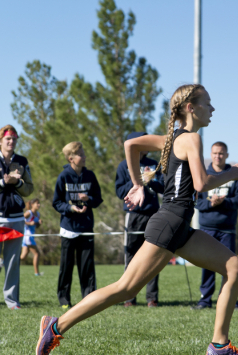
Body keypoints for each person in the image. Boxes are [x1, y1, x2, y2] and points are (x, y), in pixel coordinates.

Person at [36, 84, 238, 355]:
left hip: (180, 228)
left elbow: (131, 145)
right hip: (169, 223)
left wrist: (139, 184)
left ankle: (219, 345)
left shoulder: (173, 138)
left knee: (235, 267)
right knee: (126, 289)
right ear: (191, 107)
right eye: (208, 103)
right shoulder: (190, 139)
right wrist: (232, 174)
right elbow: (201, 184)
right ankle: (56, 326)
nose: (212, 109)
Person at [115, 132, 164, 307]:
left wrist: (151, 181)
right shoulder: (124, 165)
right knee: (131, 256)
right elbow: (120, 191)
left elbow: (164, 187)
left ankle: (152, 297)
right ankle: (129, 297)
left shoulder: (153, 164)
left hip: (153, 214)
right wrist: (137, 181)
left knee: (154, 255)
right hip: (133, 215)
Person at [194, 141, 238, 310]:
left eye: (221, 153)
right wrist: (211, 204)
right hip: (207, 228)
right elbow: (197, 202)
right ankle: (204, 300)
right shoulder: (203, 175)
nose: (218, 156)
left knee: (229, 267)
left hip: (227, 229)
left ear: (227, 155)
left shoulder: (234, 175)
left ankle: (231, 299)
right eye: (215, 153)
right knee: (207, 265)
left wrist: (222, 202)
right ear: (211, 154)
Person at [53, 142, 103, 310]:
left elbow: (98, 199)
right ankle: (64, 300)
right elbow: (56, 202)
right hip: (69, 228)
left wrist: (88, 200)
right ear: (71, 159)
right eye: (81, 154)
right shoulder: (63, 176)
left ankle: (89, 299)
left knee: (87, 267)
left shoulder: (90, 175)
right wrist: (70, 208)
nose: (85, 157)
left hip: (87, 228)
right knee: (66, 267)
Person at [0, 125, 34, 309]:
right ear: (1, 141)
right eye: (8, 139)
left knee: (13, 262)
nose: (11, 142)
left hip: (16, 219)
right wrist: (3, 182)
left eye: (14, 139)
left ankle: (12, 302)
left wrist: (17, 182)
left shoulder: (21, 161)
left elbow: (29, 189)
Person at [20, 198, 42, 276]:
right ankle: (37, 273)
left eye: (39, 203)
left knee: (23, 257)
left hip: (30, 237)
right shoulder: (29, 213)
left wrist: (39, 223)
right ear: (32, 204)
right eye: (37, 203)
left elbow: (37, 226)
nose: (39, 205)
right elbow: (20, 220)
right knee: (37, 254)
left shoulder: (38, 214)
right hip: (28, 237)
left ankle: (4, 261)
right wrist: (29, 223)